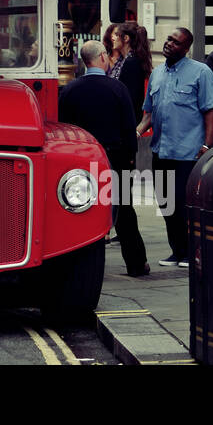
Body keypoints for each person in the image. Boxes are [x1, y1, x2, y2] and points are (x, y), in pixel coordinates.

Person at [59, 40, 149, 276]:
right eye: (106, 55)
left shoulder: (69, 89)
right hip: (115, 157)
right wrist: (131, 157)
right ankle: (136, 263)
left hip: (80, 158)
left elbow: (63, 127)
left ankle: (80, 266)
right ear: (100, 57)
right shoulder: (117, 89)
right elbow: (129, 126)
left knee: (82, 210)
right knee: (123, 211)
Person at [136, 27, 213, 267]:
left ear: (186, 48)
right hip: (161, 150)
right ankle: (177, 250)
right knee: (166, 204)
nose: (169, 43)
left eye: (176, 42)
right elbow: (148, 113)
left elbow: (210, 109)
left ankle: (192, 253)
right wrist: (137, 131)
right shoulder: (157, 73)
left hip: (188, 152)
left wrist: (207, 144)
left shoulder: (201, 72)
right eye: (169, 39)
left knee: (185, 205)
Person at [109, 21, 152, 118]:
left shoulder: (131, 62)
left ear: (126, 38)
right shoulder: (123, 60)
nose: (113, 38)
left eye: (117, 35)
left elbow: (131, 99)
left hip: (126, 120)